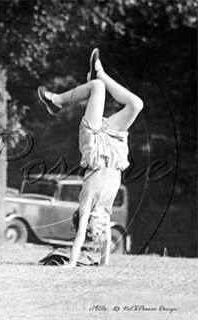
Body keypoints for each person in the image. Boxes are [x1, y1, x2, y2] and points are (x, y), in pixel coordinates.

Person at [38, 48, 143, 267]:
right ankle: (101, 74)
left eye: (95, 231)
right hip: (114, 147)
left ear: (87, 226)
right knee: (136, 105)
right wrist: (104, 266)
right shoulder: (105, 212)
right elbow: (106, 246)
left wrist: (71, 265)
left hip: (94, 145)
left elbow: (77, 241)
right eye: (101, 231)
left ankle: (56, 101)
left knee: (96, 89)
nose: (102, 229)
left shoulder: (87, 205)